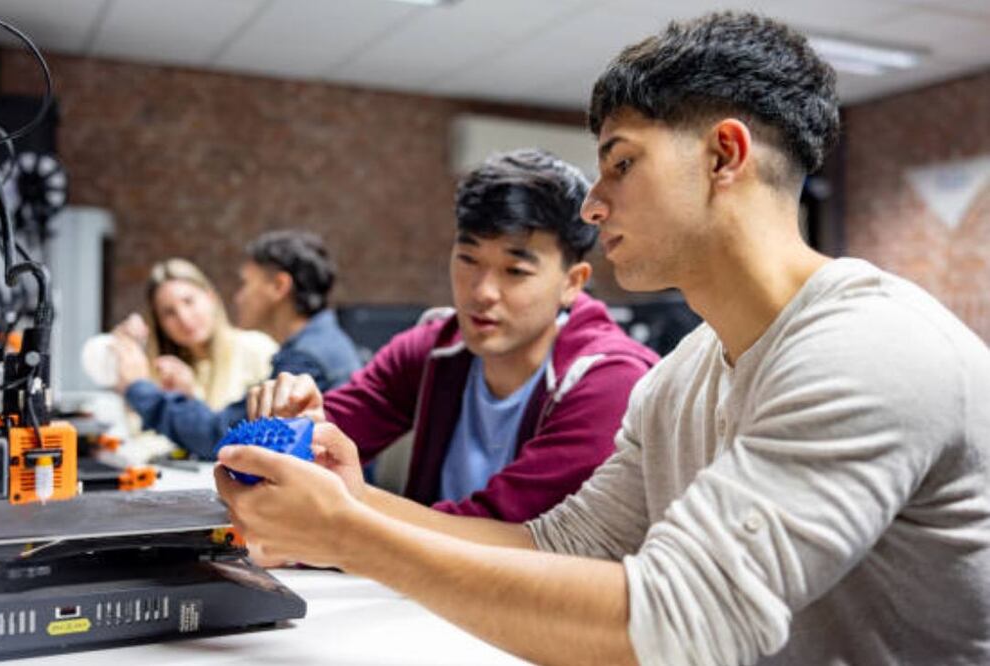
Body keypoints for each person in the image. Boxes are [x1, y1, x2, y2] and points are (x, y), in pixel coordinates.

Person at [215, 12, 990, 666]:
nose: (594, 205)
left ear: (725, 155)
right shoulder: (682, 377)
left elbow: (683, 622)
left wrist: (353, 535)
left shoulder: (869, 348)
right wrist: (358, 504)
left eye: (621, 163)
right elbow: (558, 545)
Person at [245, 149, 657, 521]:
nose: (481, 293)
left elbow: (511, 533)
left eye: (515, 271)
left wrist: (350, 504)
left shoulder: (610, 382)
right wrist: (294, 429)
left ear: (572, 282)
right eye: (468, 259)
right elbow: (323, 436)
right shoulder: (434, 347)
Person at [118, 230, 362, 457]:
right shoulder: (316, 344)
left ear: (279, 286)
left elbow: (223, 436)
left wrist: (138, 387)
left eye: (246, 283)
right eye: (168, 312)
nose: (238, 297)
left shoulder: (306, 358)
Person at [111, 258, 278, 411]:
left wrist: (191, 398)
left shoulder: (257, 349)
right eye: (169, 312)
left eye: (189, 301)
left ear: (210, 297)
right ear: (159, 323)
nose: (184, 318)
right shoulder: (164, 370)